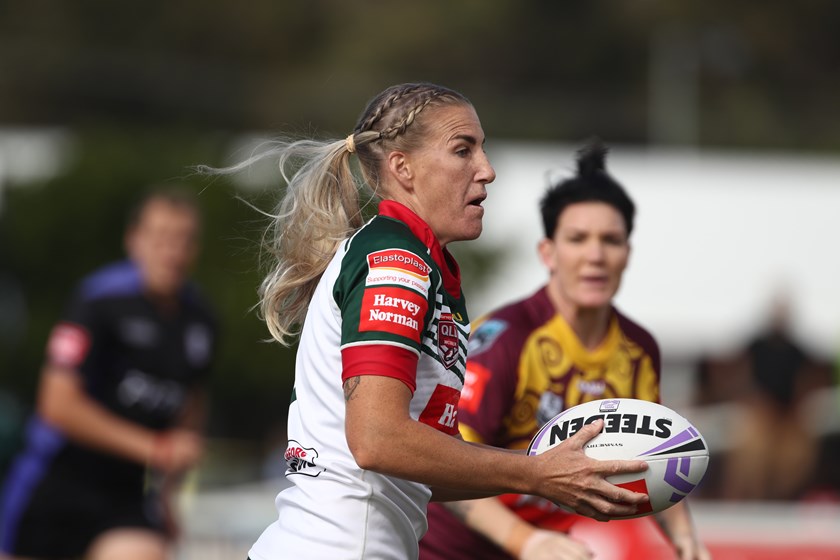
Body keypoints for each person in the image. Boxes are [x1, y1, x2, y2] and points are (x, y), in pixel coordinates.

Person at [214, 82, 650, 560]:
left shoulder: (419, 263)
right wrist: (537, 473)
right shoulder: (396, 259)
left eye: (482, 149)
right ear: (402, 167)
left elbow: (421, 470)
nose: (487, 170)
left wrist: (548, 479)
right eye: (463, 150)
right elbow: (377, 439)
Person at [420, 142, 710, 560]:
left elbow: (654, 455)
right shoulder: (506, 338)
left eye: (611, 240)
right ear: (548, 253)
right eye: (577, 239)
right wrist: (526, 541)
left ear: (627, 254)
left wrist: (686, 540)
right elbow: (446, 464)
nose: (595, 255)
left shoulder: (639, 350)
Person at [0, 188, 217, 560]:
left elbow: (191, 407)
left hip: (125, 494)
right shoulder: (98, 299)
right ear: (134, 240)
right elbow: (57, 404)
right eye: (161, 237)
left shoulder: (201, 320)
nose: (172, 251)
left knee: (145, 552)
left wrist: (168, 494)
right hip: (56, 480)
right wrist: (154, 448)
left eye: (184, 239)